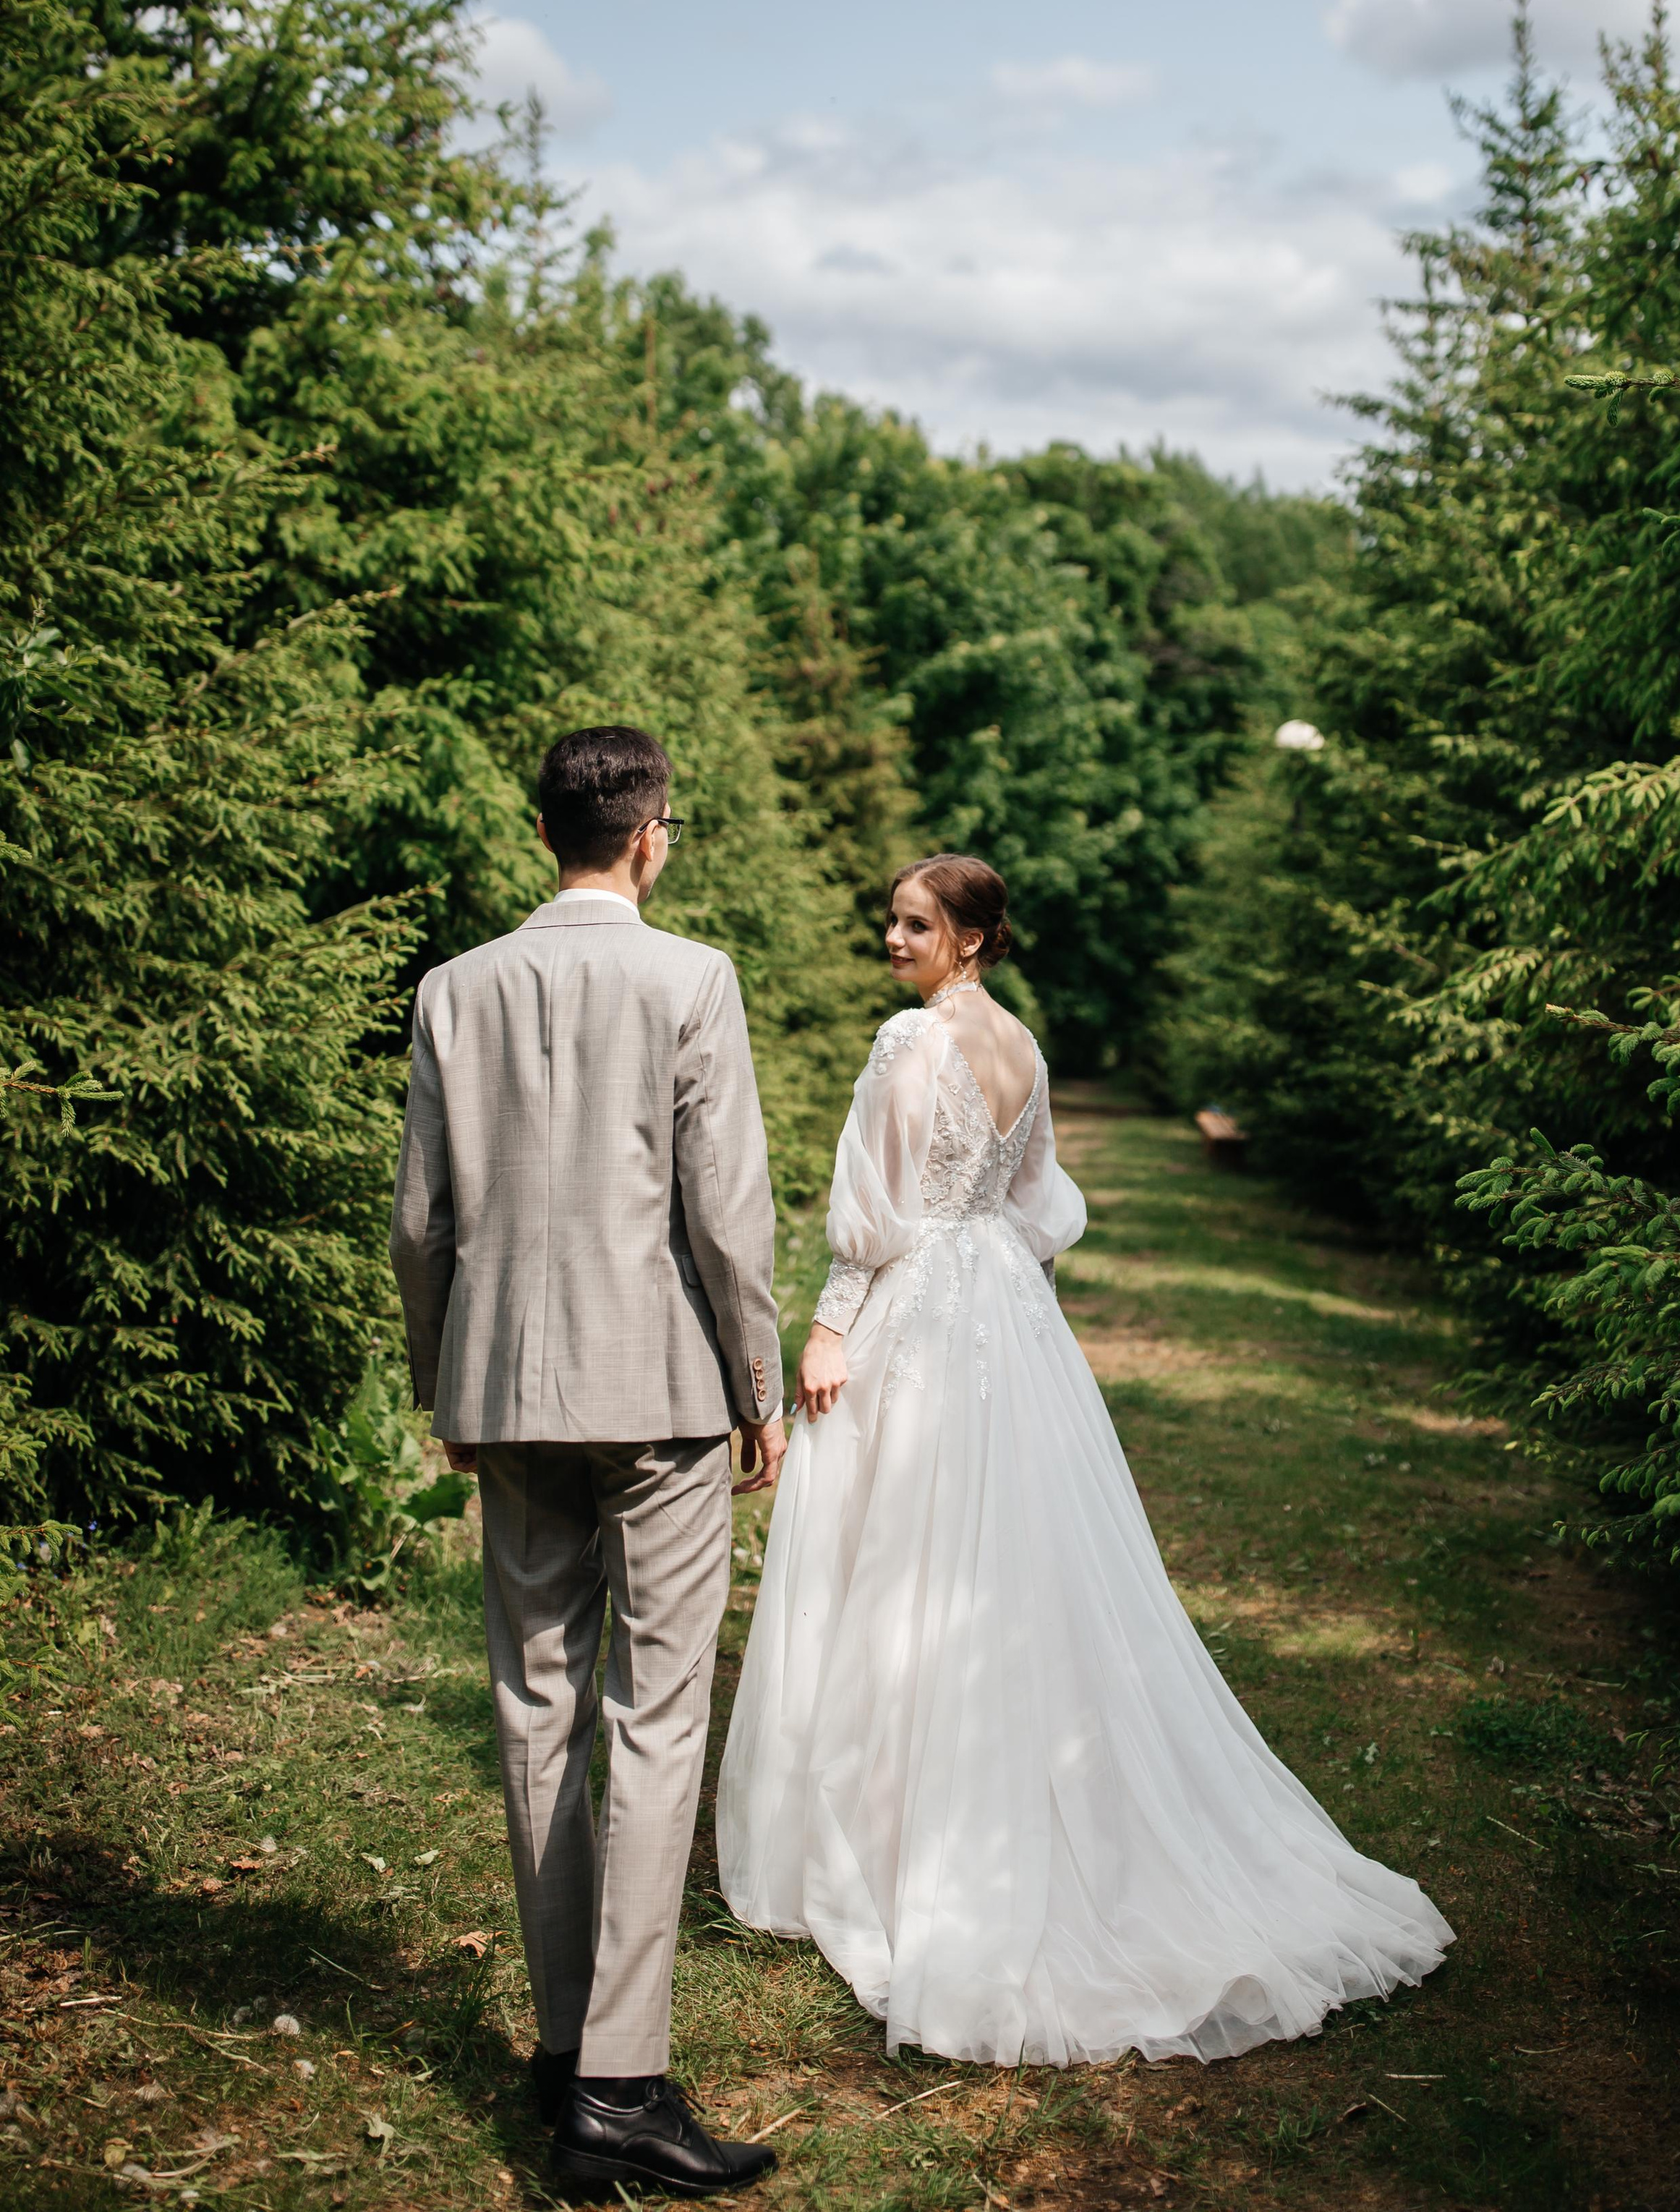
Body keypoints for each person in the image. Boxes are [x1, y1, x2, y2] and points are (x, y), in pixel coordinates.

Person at [718, 852, 1453, 2068]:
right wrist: (1019, 1319)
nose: (894, 938)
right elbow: (1038, 1206)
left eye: (916, 924)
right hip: (1005, 1301)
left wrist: (831, 1325)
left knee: (897, 1549)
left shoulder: (910, 1042)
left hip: (922, 1305)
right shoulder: (1025, 1048)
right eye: (892, 920)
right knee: (997, 1554)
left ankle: (892, 1828)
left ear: (970, 938)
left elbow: (877, 1206)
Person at [390, 725, 785, 2200]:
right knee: (656, 1716)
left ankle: (566, 2051)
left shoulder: (454, 987)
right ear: (648, 835)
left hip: (504, 1388)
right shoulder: (691, 978)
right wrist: (757, 1386)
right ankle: (619, 2089)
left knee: (536, 1703)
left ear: (547, 831)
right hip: (660, 1391)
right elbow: (724, 1212)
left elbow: (421, 1223)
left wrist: (443, 1381)